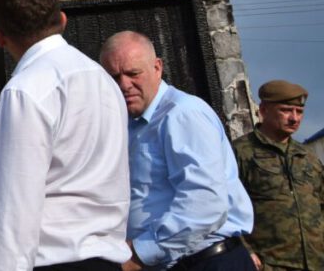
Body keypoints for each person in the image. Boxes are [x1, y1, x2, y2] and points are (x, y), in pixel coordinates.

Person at [0, 0, 131, 271]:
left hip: (55, 262)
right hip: (107, 260)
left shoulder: (26, 90)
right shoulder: (105, 83)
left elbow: (13, 209)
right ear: (62, 20)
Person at [100, 31, 255, 271]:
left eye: (133, 73)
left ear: (157, 67)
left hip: (208, 262)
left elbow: (204, 204)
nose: (124, 85)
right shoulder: (133, 124)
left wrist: (140, 253)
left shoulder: (182, 114)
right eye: (114, 77)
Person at [232, 80, 324, 271]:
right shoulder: (240, 152)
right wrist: (245, 250)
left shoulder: (307, 156)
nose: (294, 118)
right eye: (286, 110)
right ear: (264, 110)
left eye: (299, 112)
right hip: (269, 264)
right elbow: (225, 206)